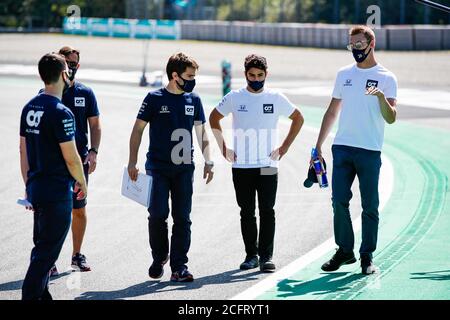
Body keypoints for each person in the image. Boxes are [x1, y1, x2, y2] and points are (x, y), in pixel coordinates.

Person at [314, 25, 398, 275]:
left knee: (370, 205)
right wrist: (318, 145)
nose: (355, 50)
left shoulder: (386, 77)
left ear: (371, 44)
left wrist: (381, 97)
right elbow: (332, 111)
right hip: (342, 148)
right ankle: (345, 251)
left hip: (369, 150)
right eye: (352, 45)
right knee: (339, 200)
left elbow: (391, 118)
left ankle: (367, 256)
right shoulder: (343, 74)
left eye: (359, 45)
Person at [209, 54, 304, 272]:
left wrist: (285, 147)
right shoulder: (234, 97)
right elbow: (214, 117)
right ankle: (251, 255)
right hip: (242, 165)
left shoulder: (276, 97)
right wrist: (224, 148)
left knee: (267, 210)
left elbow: (298, 118)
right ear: (245, 75)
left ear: (266, 75)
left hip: (268, 164)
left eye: (260, 75)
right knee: (247, 212)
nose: (256, 79)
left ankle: (266, 256)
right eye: (251, 75)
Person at [127, 52, 214, 282]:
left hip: (185, 168)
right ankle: (159, 257)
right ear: (175, 75)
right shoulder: (154, 98)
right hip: (157, 167)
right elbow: (137, 130)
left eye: (194, 76)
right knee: (157, 215)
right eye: (189, 76)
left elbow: (202, 131)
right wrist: (132, 161)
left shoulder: (193, 100)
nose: (193, 80)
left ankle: (179, 266)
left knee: (182, 217)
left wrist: (208, 159)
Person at [20, 53, 87, 300]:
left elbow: (23, 151)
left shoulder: (30, 107)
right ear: (63, 74)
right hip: (57, 190)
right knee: (47, 253)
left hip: (37, 186)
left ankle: (42, 295)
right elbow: (71, 157)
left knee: (41, 249)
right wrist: (81, 181)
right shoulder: (61, 111)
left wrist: (29, 185)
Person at [47, 46, 101, 276]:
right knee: (51, 211)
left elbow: (95, 124)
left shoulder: (85, 93)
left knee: (78, 209)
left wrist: (94, 151)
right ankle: (48, 259)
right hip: (53, 163)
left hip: (79, 163)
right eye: (67, 62)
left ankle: (76, 255)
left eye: (75, 63)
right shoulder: (49, 93)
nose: (71, 67)